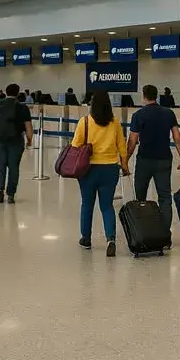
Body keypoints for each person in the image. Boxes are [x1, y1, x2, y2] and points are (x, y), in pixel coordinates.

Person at [126, 85, 180, 239]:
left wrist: (125, 160)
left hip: (144, 160)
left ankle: (143, 233)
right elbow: (177, 138)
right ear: (156, 96)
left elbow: (132, 141)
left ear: (144, 96)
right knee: (165, 198)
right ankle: (165, 235)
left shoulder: (138, 115)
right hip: (164, 160)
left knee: (140, 198)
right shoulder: (168, 113)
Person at [71, 91, 128, 257]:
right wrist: (124, 165)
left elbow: (75, 145)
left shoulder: (85, 122)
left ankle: (86, 239)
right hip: (110, 169)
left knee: (87, 204)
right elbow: (122, 146)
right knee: (107, 206)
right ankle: (110, 239)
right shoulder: (115, 122)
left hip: (88, 169)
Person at [0, 83, 33, 204]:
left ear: (6, 92)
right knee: (14, 167)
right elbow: (28, 126)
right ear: (18, 93)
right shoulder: (22, 107)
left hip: (0, 139)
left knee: (0, 165)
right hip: (16, 140)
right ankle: (11, 194)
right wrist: (29, 140)